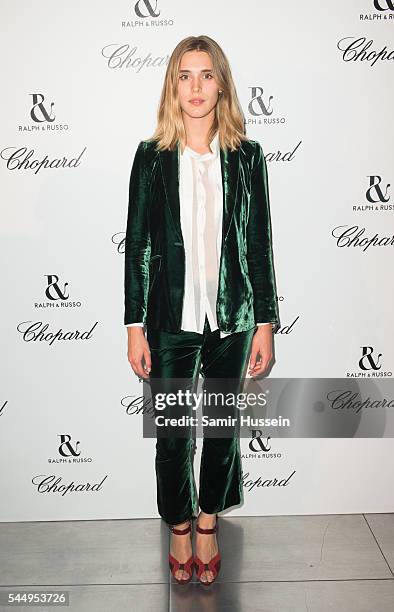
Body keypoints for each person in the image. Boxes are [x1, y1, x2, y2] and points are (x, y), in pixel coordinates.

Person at [124, 35, 279, 585]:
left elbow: (258, 244)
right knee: (172, 435)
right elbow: (138, 243)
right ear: (173, 84)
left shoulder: (248, 156)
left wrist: (264, 323)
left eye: (206, 75)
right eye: (185, 75)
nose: (196, 86)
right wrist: (135, 326)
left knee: (219, 431)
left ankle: (208, 522)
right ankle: (179, 525)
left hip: (232, 319)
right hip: (169, 322)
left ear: (222, 84)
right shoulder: (151, 157)